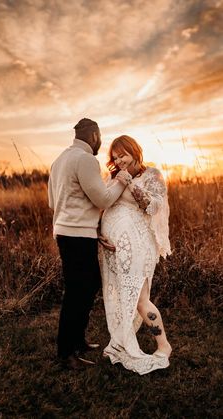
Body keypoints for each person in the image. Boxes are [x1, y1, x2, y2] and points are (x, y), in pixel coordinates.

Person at [48, 118, 129, 370]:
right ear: (94, 136)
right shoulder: (85, 160)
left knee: (88, 285)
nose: (101, 142)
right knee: (76, 293)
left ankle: (78, 340)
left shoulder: (59, 159)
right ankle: (66, 353)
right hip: (76, 236)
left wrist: (93, 227)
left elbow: (53, 202)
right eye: (100, 137)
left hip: (68, 232)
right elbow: (103, 199)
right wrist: (121, 181)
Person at [99, 135, 172, 375]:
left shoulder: (152, 175)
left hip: (139, 246)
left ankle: (164, 346)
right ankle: (121, 342)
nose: (119, 160)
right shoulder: (112, 177)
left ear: (135, 152)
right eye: (115, 156)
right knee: (120, 297)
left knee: (140, 298)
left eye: (124, 155)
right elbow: (103, 205)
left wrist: (129, 183)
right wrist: (100, 233)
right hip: (115, 249)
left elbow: (151, 206)